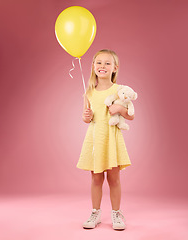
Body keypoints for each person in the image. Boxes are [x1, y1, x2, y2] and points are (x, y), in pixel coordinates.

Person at [76, 49, 135, 230]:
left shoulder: (119, 90)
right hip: (95, 139)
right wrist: (87, 115)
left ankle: (116, 213)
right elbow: (87, 119)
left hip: (111, 138)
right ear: (93, 67)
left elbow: (130, 115)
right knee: (95, 178)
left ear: (115, 68)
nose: (102, 66)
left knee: (114, 178)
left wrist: (120, 110)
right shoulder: (89, 92)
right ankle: (95, 212)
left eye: (107, 63)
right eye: (99, 62)